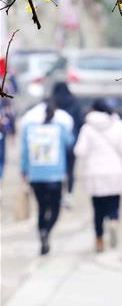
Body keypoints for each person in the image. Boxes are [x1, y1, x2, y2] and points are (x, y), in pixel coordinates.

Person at [75, 98, 122, 252]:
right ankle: (114, 221)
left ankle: (99, 240)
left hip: (95, 172)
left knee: (98, 210)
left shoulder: (87, 128)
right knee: (114, 203)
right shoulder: (118, 125)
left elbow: (79, 151)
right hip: (115, 171)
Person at [20, 98, 74, 255]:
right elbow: (70, 143)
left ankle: (42, 232)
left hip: (36, 176)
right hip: (55, 176)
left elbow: (24, 153)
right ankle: (47, 231)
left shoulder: (29, 128)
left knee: (41, 208)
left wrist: (24, 172)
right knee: (55, 208)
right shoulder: (60, 127)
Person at [50, 83, 84, 208]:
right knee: (70, 170)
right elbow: (81, 122)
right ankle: (69, 195)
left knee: (56, 170)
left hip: (55, 143)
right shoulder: (75, 102)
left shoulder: (52, 102)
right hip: (72, 143)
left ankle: (57, 196)